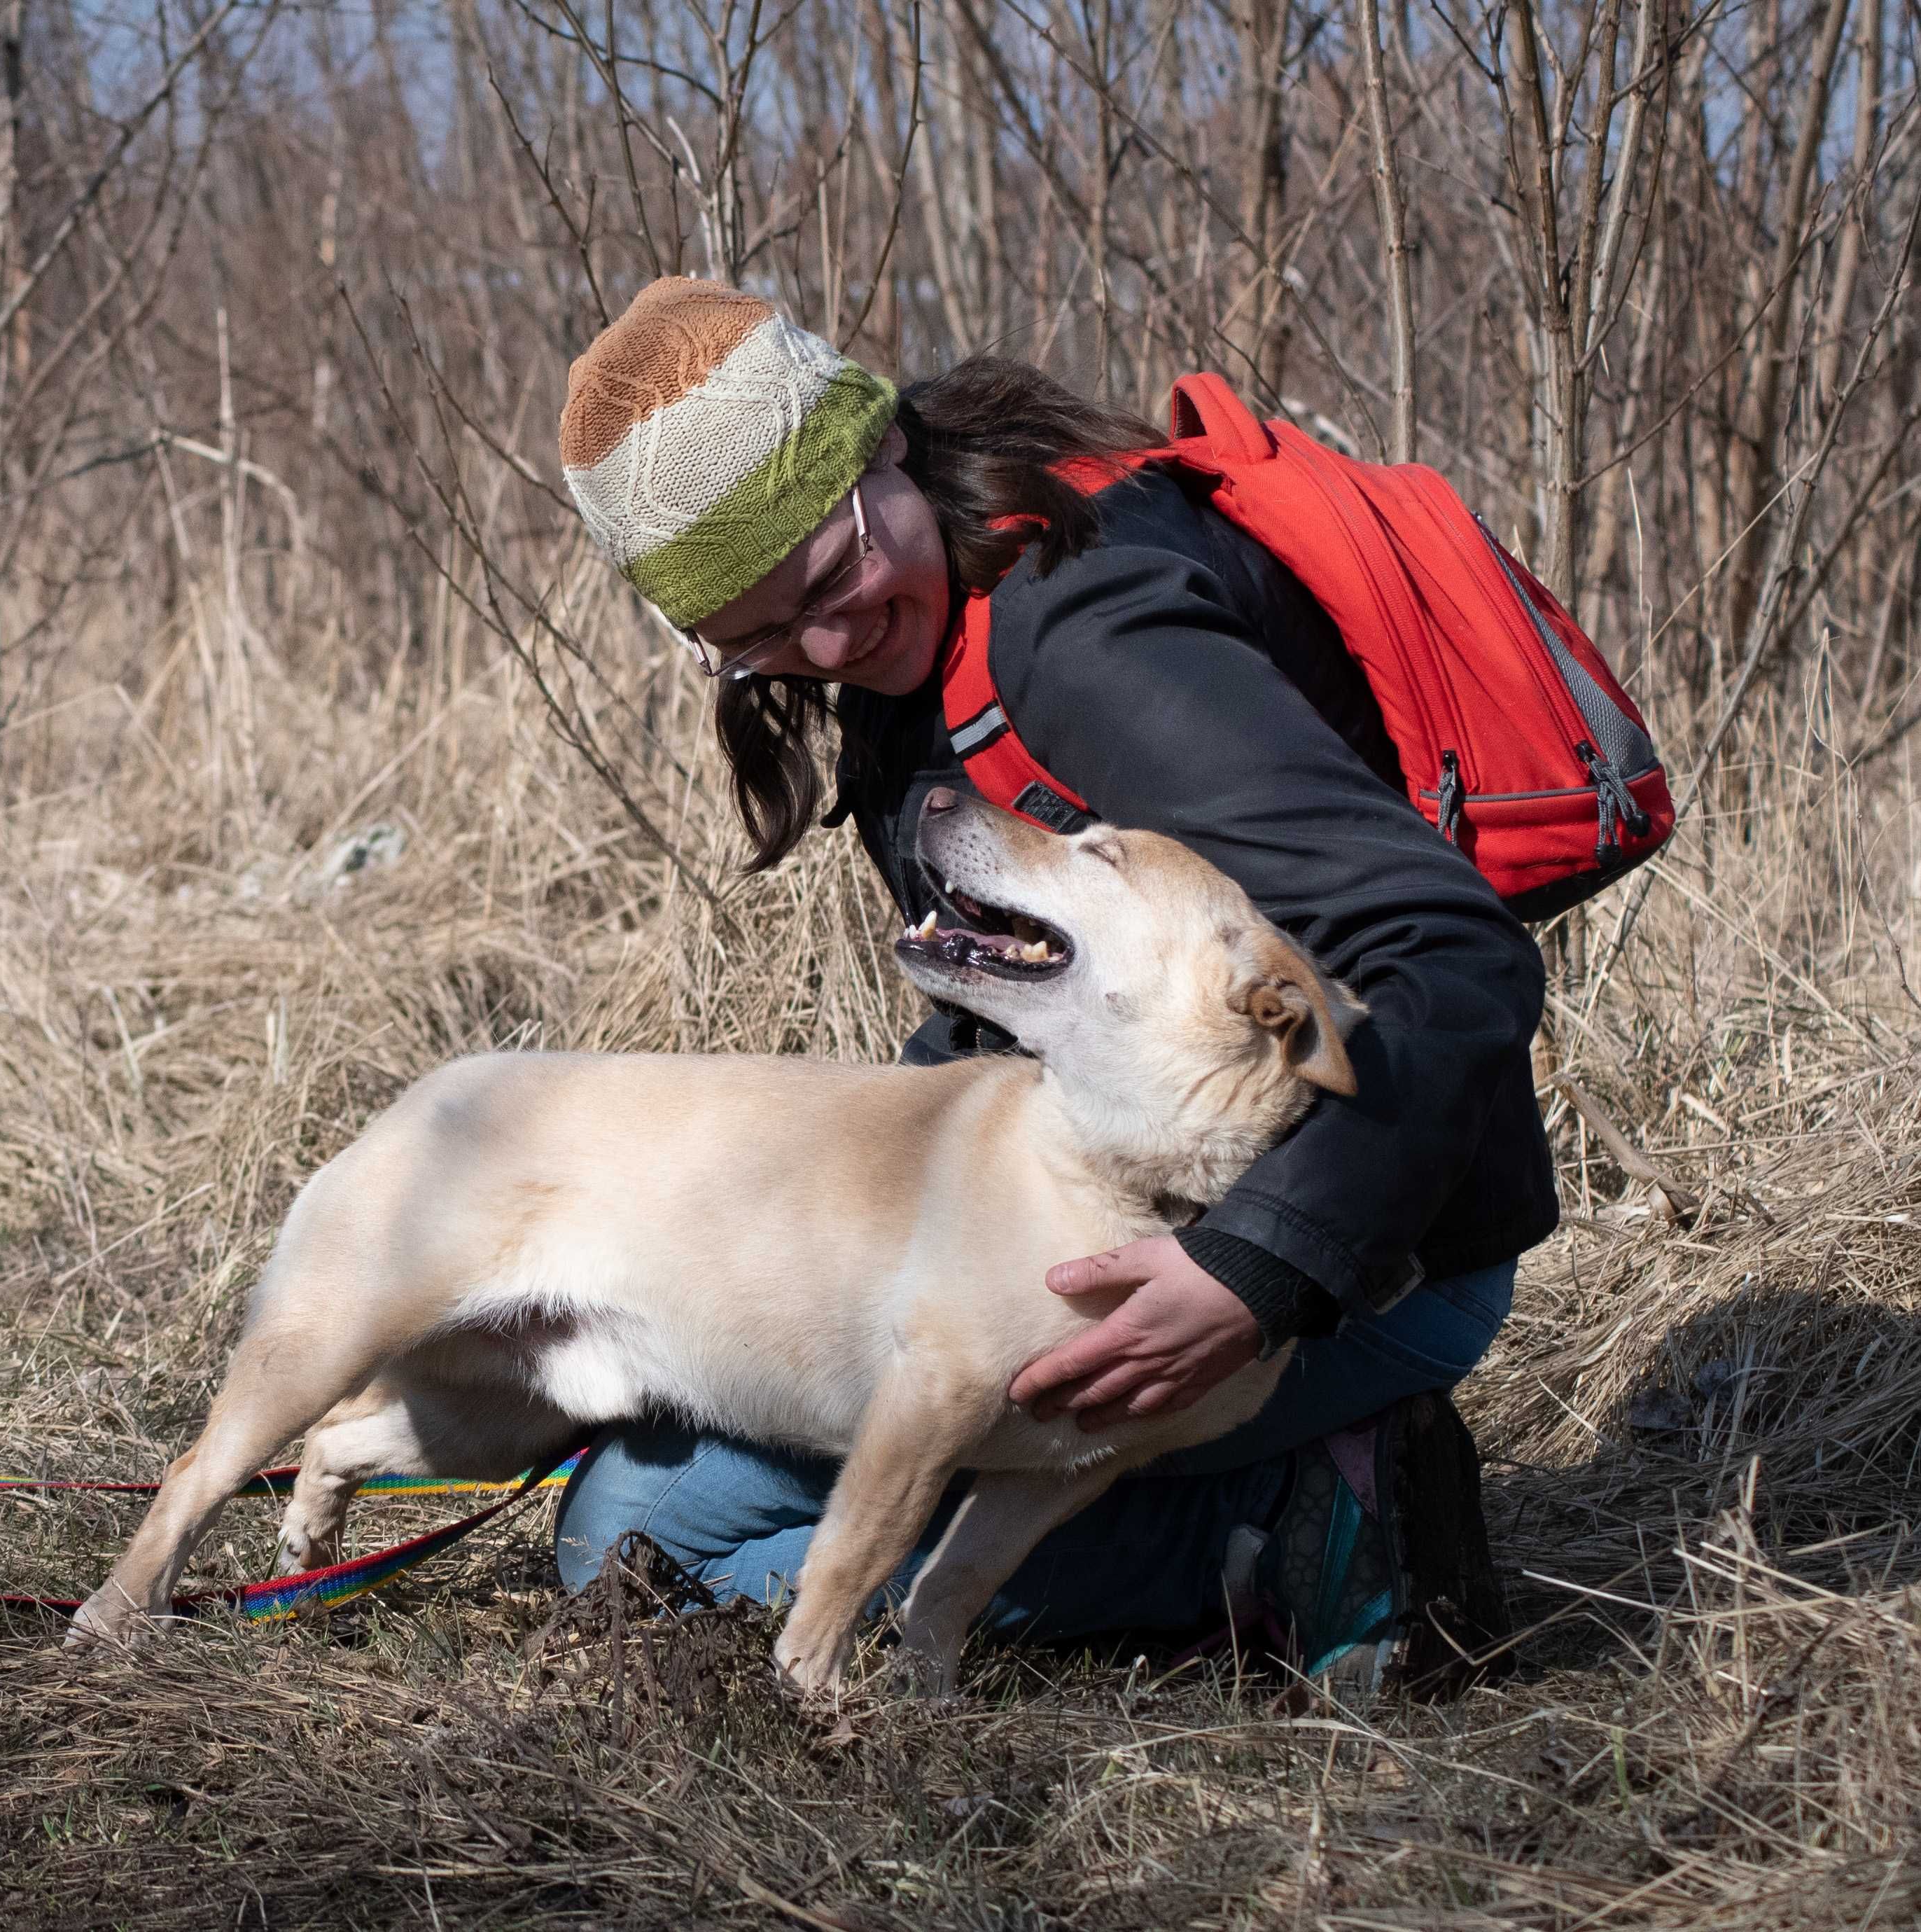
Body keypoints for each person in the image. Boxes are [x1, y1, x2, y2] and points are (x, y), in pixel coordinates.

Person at [549, 276, 1549, 1690]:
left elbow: (1451, 954)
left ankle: (1301, 1517)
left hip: (1362, 1265)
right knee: (634, 1507)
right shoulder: (921, 652)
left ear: (883, 449)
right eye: (764, 640)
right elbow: (1014, 1022)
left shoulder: (1086, 636)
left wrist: (1255, 1271)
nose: (827, 649)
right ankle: (1207, 1512)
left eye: (832, 586)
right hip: (1108, 1217)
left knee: (664, 1540)